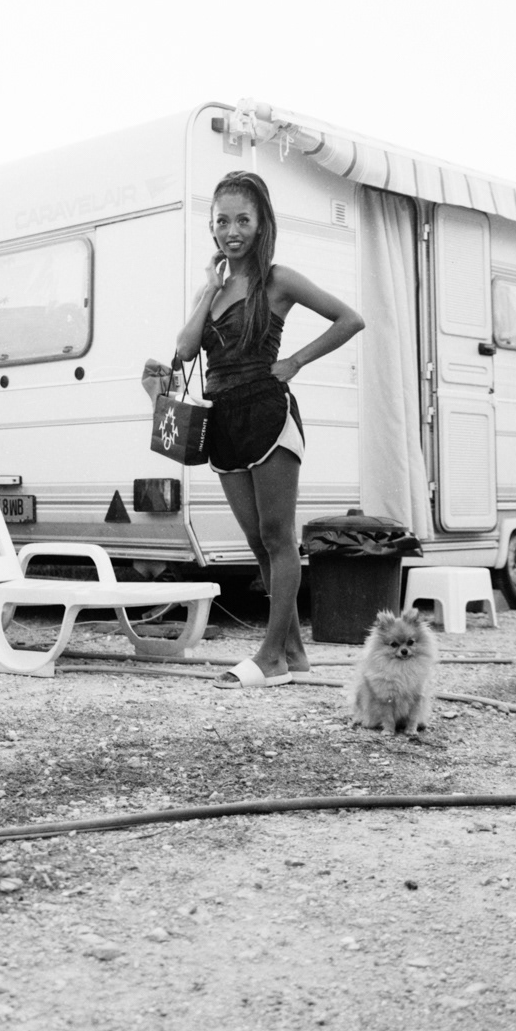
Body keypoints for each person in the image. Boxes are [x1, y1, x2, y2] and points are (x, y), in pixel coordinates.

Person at [176, 171, 365, 688]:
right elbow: (186, 349)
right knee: (258, 542)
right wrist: (209, 289)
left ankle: (270, 656)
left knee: (278, 538)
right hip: (224, 421)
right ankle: (294, 653)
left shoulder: (278, 280)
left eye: (243, 220)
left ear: (261, 225)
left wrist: (296, 361)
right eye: (222, 221)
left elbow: (350, 319)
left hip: (268, 415)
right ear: (212, 227)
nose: (232, 231)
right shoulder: (212, 289)